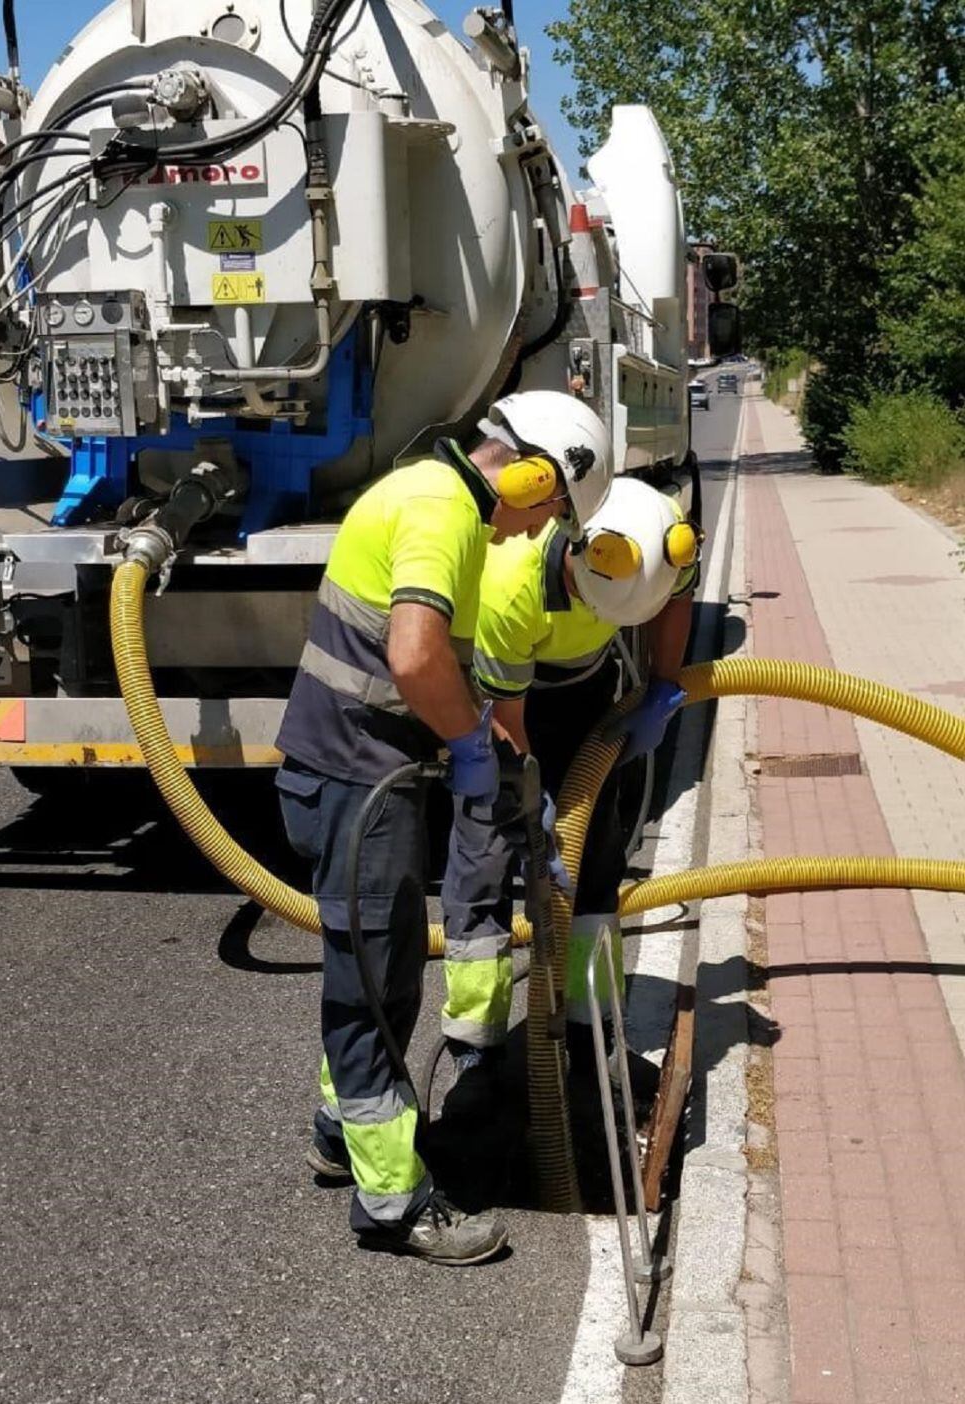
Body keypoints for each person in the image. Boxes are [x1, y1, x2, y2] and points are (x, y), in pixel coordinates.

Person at [275, 390, 613, 1265]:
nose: (534, 533)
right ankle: (392, 1204)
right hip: (354, 780)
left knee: (368, 970)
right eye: (551, 513)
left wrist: (502, 775)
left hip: (358, 772)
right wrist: (469, 743)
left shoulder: (432, 493)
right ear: (534, 473)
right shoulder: (442, 513)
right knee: (377, 989)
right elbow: (417, 656)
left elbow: (442, 669)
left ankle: (332, 1131)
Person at [440, 475, 700, 1077]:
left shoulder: (660, 530)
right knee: (487, 852)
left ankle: (590, 1036)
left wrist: (663, 687)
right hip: (498, 698)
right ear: (576, 554)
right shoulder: (514, 583)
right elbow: (508, 724)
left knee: (599, 857)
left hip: (586, 689)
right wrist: (534, 809)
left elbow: (678, 598)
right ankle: (475, 1049)